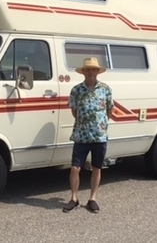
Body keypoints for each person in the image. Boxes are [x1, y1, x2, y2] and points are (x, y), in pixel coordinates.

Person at [63, 57, 114, 213]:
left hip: (99, 136)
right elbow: (74, 111)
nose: (91, 72)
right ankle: (74, 198)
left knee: (97, 168)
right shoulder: (76, 90)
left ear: (97, 71)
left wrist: (101, 124)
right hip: (81, 135)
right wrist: (85, 123)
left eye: (93, 69)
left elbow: (109, 110)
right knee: (75, 168)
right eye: (87, 69)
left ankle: (92, 199)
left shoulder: (105, 89)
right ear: (83, 72)